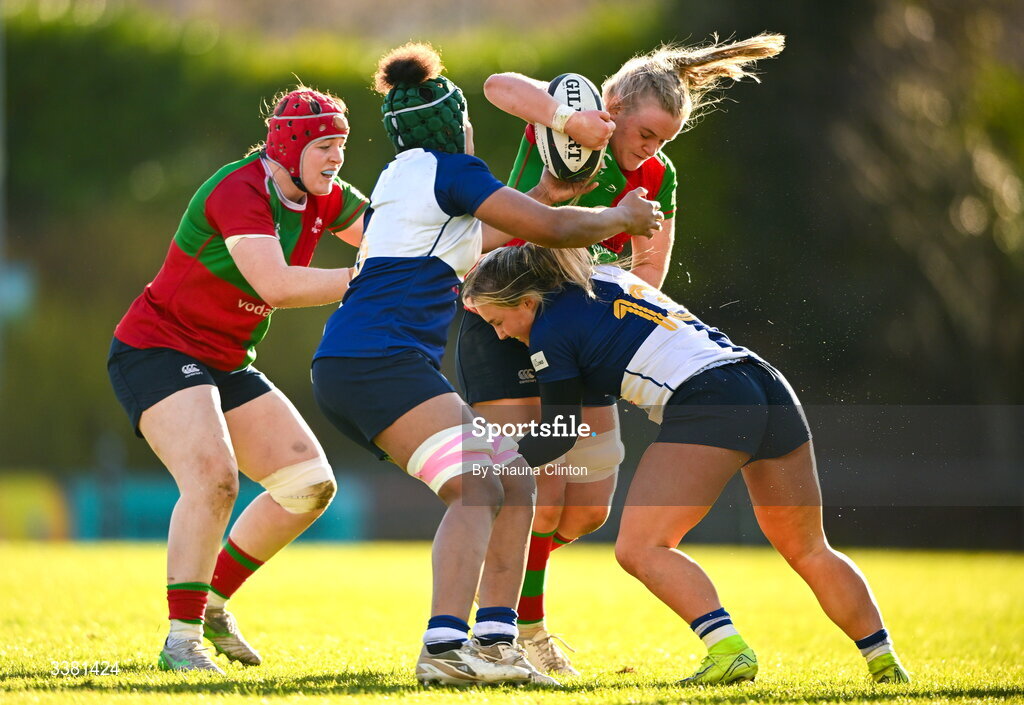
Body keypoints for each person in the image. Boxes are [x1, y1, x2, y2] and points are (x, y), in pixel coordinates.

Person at [309, 43, 661, 687]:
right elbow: (548, 228)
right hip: (379, 362)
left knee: (513, 483)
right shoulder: (454, 169)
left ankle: (497, 643)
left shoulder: (403, 174)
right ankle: (444, 647)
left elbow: (498, 231)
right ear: (455, 124)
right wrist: (621, 216)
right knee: (478, 487)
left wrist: (551, 190)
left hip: (362, 362)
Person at [455, 33, 785, 674]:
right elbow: (497, 87)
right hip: (506, 317)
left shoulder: (658, 173)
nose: (652, 149)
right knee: (537, 491)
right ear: (617, 104)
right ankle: (513, 631)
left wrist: (625, 327)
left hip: (583, 341)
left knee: (588, 505)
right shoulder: (575, 132)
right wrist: (564, 116)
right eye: (648, 133)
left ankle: (511, 614)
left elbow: (649, 266)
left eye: (664, 140)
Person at [462, 244, 911, 685]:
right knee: (810, 548)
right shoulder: (602, 277)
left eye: (499, 322)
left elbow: (560, 431)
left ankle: (728, 650)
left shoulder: (548, 333)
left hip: (711, 396)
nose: (500, 335)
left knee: (641, 548)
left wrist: (491, 461)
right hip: (764, 380)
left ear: (526, 300)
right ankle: (884, 660)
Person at [107, 85, 369, 673]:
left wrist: (500, 230)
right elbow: (274, 285)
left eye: (342, 147)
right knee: (214, 480)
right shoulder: (241, 189)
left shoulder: (325, 195)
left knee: (309, 486)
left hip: (225, 359)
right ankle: (182, 639)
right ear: (292, 145)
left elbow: (398, 238)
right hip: (157, 347)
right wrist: (368, 278)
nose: (337, 159)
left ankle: (214, 603)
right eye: (326, 146)